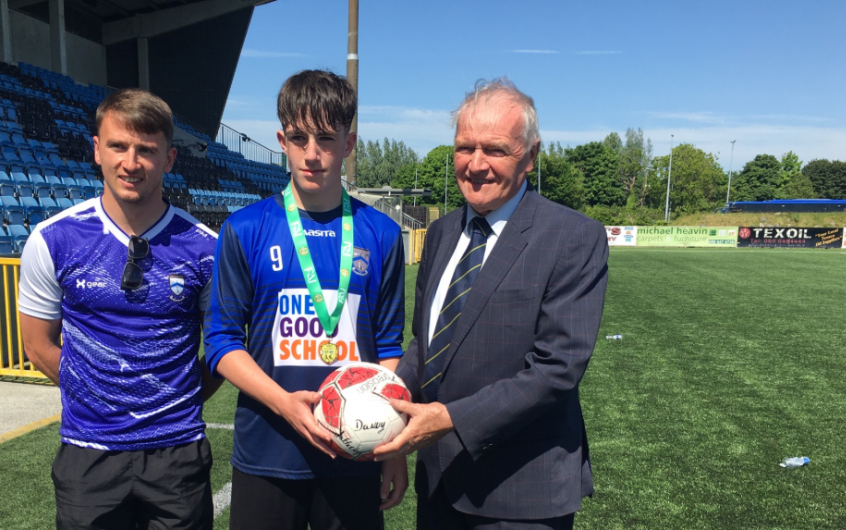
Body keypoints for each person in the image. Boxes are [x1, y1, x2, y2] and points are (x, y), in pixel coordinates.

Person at [373, 78, 609, 530]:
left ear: (530, 156)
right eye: (465, 148)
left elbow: (557, 368)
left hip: (521, 494)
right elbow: (426, 345)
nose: (476, 164)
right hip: (440, 484)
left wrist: (449, 419)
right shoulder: (441, 234)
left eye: (495, 150)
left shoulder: (573, 236)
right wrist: (382, 396)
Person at [203, 69, 408, 530]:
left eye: (326, 139)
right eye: (299, 138)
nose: (312, 154)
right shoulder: (244, 229)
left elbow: (389, 348)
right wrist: (283, 404)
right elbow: (220, 341)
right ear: (282, 141)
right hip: (268, 451)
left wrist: (393, 445)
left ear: (349, 144)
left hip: (356, 451)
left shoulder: (382, 234)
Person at [18, 88, 220, 530]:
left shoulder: (206, 248)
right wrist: (101, 399)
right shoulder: (53, 239)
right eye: (118, 146)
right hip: (89, 453)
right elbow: (37, 345)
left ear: (169, 159)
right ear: (97, 150)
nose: (131, 163)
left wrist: (172, 401)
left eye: (146, 150)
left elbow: (223, 351)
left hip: (177, 452)